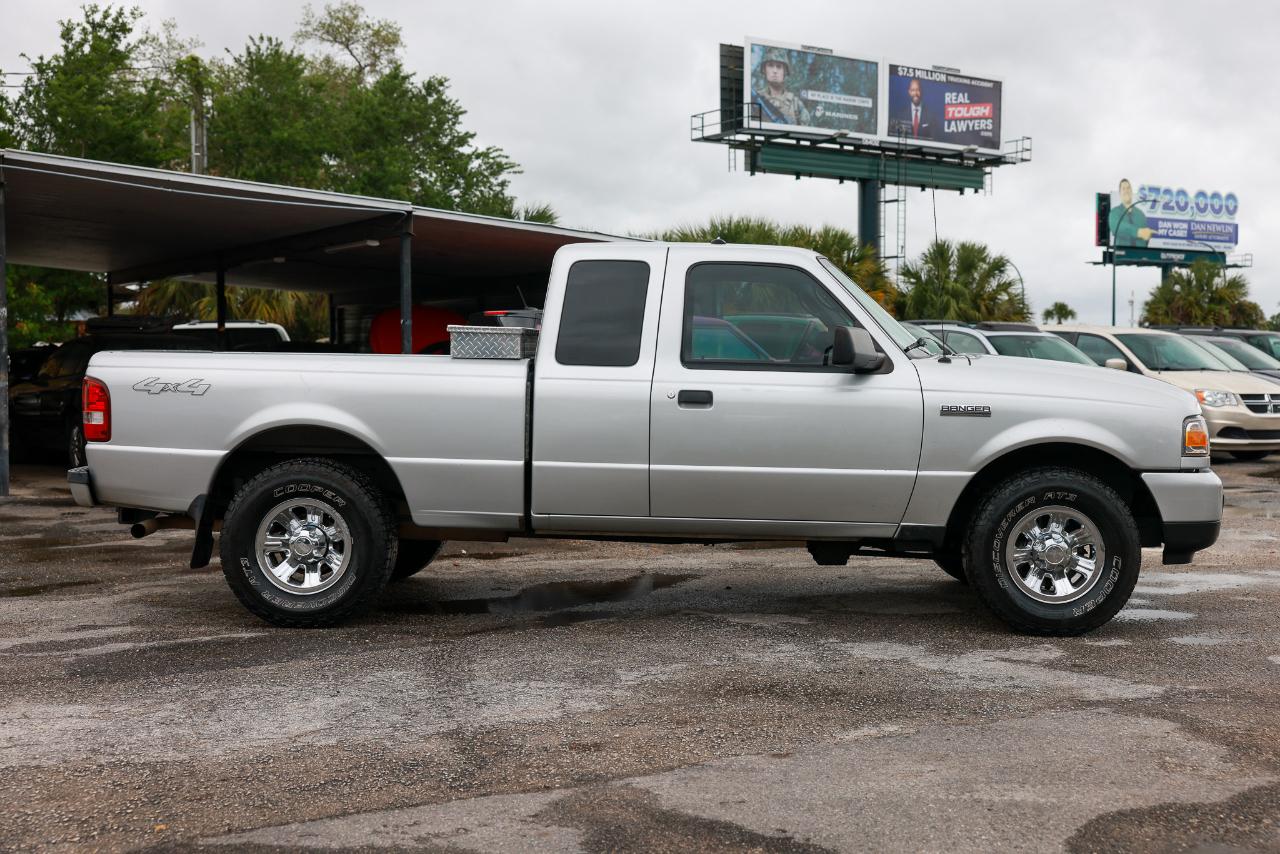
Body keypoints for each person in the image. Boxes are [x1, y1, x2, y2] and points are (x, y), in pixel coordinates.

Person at [751, 47, 811, 127]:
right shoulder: (755, 98)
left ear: (785, 71)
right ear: (764, 70)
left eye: (779, 67)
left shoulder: (796, 104)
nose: (775, 71)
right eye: (770, 65)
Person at [1109, 178, 1155, 247]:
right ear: (1119, 193)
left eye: (1128, 188)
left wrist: (1147, 235)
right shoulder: (1114, 212)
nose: (1126, 191)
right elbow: (1116, 227)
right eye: (1123, 189)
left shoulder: (1141, 215)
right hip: (1121, 255)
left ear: (1131, 191)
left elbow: (1145, 240)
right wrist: (1138, 232)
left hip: (1139, 256)